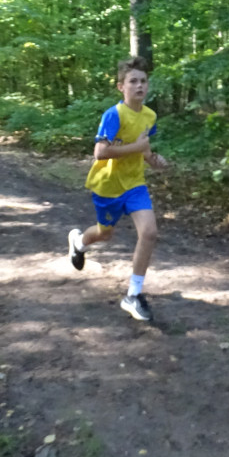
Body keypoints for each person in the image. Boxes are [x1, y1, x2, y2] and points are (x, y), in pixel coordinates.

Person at [67, 56, 169, 322]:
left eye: (143, 81)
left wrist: (154, 160)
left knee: (149, 232)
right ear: (120, 87)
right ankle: (78, 242)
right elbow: (100, 152)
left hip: (135, 184)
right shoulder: (114, 115)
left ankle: (133, 295)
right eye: (133, 81)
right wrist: (136, 148)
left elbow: (144, 149)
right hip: (108, 186)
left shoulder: (150, 116)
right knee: (104, 234)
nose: (139, 86)